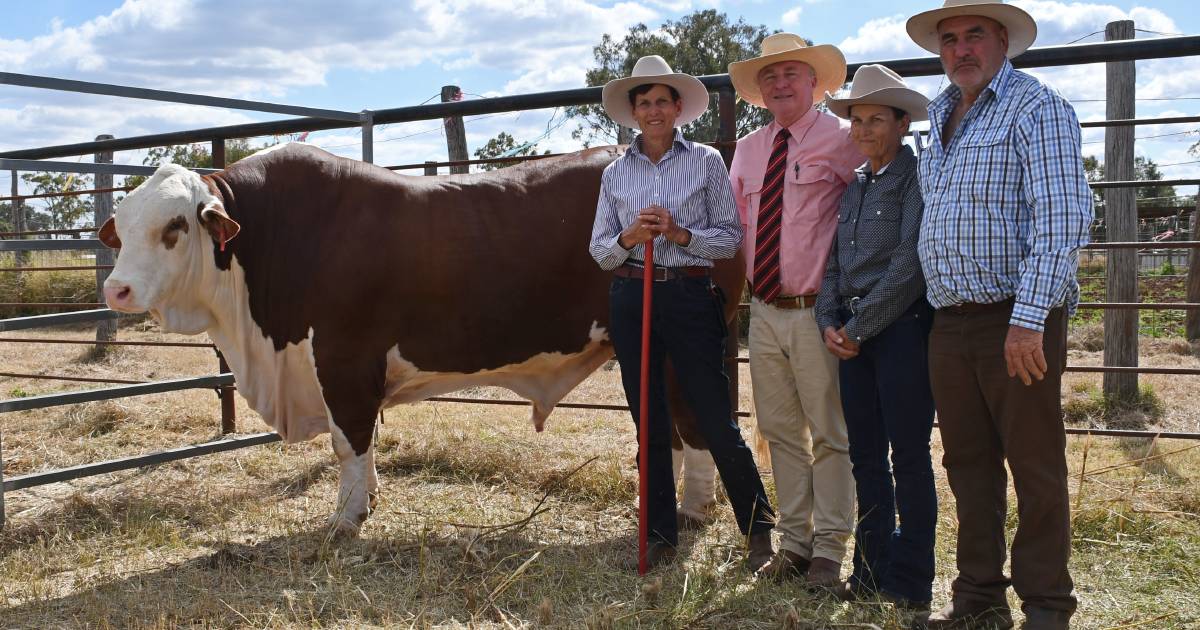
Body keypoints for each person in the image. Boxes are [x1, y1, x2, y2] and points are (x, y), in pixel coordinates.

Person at [906, 1, 1093, 628]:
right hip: (951, 319)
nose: (961, 49)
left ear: (1004, 41)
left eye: (974, 36)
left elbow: (1064, 217)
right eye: (950, 39)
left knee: (1034, 460)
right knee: (966, 462)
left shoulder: (1036, 108)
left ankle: (1045, 603)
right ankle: (978, 595)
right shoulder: (940, 116)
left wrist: (1030, 315)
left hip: (1014, 314)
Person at [588, 55, 776, 572]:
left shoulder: (707, 162)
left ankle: (759, 529)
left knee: (713, 415)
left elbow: (730, 238)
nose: (653, 111)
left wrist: (677, 234)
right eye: (643, 103)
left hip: (689, 295)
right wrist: (631, 236)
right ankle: (658, 535)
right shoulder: (614, 174)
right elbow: (600, 250)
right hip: (632, 296)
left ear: (678, 109)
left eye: (661, 102)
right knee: (647, 416)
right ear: (633, 113)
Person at [727, 33, 864, 587]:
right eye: (770, 76)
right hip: (763, 310)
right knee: (781, 429)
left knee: (830, 429)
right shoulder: (748, 149)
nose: (780, 83)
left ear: (816, 82)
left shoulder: (842, 139)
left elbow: (868, 213)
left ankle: (830, 547)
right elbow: (739, 227)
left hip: (817, 310)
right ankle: (796, 542)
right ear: (759, 90)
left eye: (791, 73)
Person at [814, 64, 936, 611]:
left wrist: (857, 329)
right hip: (853, 337)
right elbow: (835, 263)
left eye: (875, 120)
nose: (863, 130)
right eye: (856, 120)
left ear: (902, 124)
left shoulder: (917, 180)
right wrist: (827, 319)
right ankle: (868, 569)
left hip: (901, 330)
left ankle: (909, 581)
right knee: (865, 454)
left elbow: (910, 265)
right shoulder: (855, 187)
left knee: (908, 454)